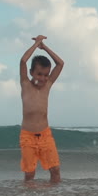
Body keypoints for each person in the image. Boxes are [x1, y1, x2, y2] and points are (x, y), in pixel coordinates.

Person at [19, 35, 64, 183]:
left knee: (56, 171)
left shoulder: (48, 85)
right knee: (30, 174)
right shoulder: (25, 84)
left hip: (45, 135)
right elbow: (23, 61)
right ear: (31, 73)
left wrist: (44, 47)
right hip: (28, 137)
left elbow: (60, 63)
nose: (43, 78)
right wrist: (36, 44)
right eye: (39, 74)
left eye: (46, 75)